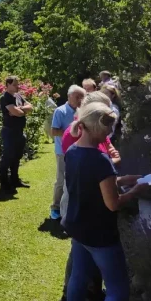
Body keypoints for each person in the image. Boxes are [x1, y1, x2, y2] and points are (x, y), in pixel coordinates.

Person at [64, 102, 147, 301]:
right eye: (108, 128)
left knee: (78, 277)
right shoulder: (101, 160)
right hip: (100, 235)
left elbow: (90, 182)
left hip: (78, 228)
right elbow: (113, 204)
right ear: (97, 128)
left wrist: (123, 180)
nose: (110, 133)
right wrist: (136, 190)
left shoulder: (72, 151)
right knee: (118, 291)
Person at [49, 85, 86, 220]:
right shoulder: (61, 111)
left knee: (75, 180)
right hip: (63, 151)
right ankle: (55, 207)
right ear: (69, 96)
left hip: (79, 151)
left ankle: (71, 207)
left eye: (82, 97)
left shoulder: (82, 111)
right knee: (61, 180)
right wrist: (72, 133)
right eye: (78, 97)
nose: (80, 100)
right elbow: (53, 131)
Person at [0, 76, 33, 194]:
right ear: (7, 85)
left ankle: (15, 180)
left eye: (17, 84)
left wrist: (20, 109)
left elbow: (30, 107)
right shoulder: (5, 98)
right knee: (7, 158)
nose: (17, 86)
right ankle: (4, 184)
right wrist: (20, 111)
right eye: (14, 85)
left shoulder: (18, 96)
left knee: (17, 157)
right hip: (9, 132)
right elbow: (16, 113)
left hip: (19, 131)